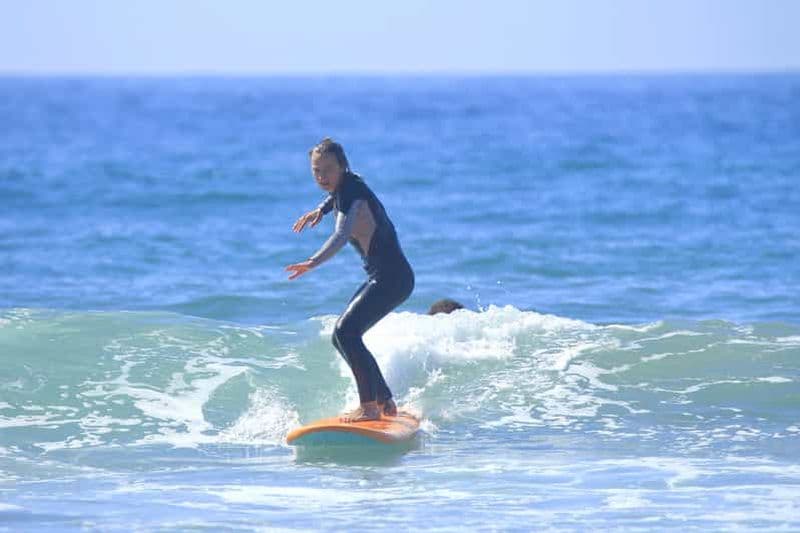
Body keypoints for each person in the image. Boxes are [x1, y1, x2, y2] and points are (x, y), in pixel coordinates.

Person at [286, 138, 415, 423]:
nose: (322, 177)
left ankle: (369, 407)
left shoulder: (352, 193)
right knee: (341, 336)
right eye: (316, 171)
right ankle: (384, 400)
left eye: (328, 170)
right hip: (390, 277)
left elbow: (342, 235)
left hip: (391, 279)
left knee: (347, 332)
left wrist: (312, 262)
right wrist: (321, 210)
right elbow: (337, 196)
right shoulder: (349, 186)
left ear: (343, 166)